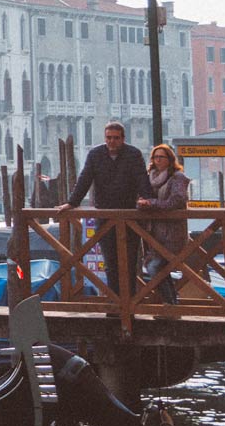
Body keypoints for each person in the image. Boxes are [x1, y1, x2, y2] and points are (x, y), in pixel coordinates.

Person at [58, 122, 154, 297]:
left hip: (129, 215)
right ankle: (115, 302)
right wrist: (72, 203)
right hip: (104, 215)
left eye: (116, 138)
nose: (112, 141)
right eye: (109, 138)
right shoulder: (95, 154)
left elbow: (142, 179)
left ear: (123, 139)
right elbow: (85, 179)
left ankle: (129, 303)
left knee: (130, 262)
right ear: (105, 138)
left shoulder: (133, 154)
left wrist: (147, 199)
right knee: (110, 262)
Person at [137, 144, 191, 304]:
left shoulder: (178, 177)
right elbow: (141, 196)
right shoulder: (149, 178)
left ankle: (170, 304)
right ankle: (172, 303)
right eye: (155, 157)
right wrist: (141, 203)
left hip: (173, 232)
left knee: (155, 267)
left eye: (162, 157)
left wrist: (151, 203)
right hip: (154, 232)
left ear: (170, 159)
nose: (158, 160)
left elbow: (176, 201)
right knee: (159, 268)